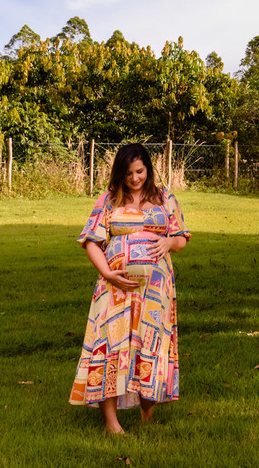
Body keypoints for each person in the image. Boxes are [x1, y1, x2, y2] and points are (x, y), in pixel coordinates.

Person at [69, 143, 190, 433]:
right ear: (119, 174)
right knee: (109, 347)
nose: (135, 178)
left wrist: (169, 242)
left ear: (148, 169)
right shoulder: (109, 201)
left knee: (149, 346)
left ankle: (147, 411)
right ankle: (112, 423)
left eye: (139, 171)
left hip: (154, 291)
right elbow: (91, 241)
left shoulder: (165, 198)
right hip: (114, 288)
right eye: (128, 173)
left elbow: (182, 237)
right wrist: (109, 273)